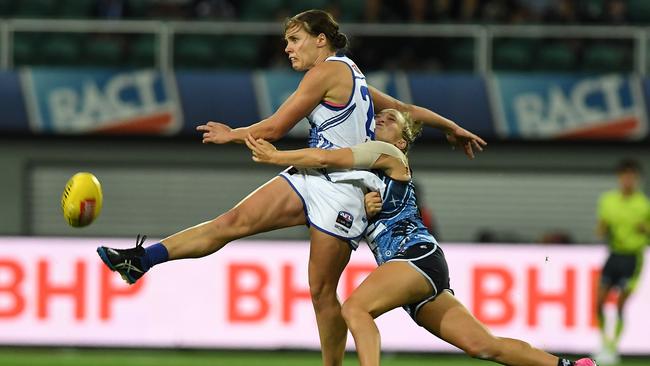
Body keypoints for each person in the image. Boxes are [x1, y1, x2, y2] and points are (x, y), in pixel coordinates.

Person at [96, 9, 485, 366]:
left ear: (321, 40)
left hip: (342, 192)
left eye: (294, 39)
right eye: (286, 41)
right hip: (312, 174)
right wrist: (451, 126)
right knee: (231, 222)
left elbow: (276, 129)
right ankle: (141, 260)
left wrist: (234, 135)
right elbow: (407, 110)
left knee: (320, 291)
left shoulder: (329, 71)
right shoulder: (352, 73)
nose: (287, 48)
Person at [245, 108, 596, 366]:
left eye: (391, 119)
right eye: (379, 115)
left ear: (401, 141)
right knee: (483, 346)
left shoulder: (392, 155)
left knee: (354, 308)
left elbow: (326, 156)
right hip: (422, 268)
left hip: (414, 256)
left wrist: (278, 156)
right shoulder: (367, 178)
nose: (381, 117)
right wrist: (367, 210)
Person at [593, 159, 650, 365]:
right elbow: (601, 228)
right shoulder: (608, 200)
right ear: (619, 178)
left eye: (631, 176)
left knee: (619, 305)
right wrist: (602, 228)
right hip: (614, 255)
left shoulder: (644, 204)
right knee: (598, 302)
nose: (627, 180)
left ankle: (612, 348)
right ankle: (603, 343)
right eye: (624, 176)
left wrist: (645, 230)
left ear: (637, 179)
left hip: (633, 258)